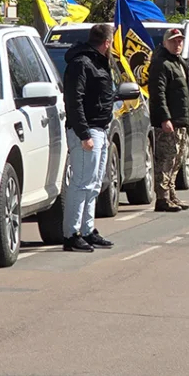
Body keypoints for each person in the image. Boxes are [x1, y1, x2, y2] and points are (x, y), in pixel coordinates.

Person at [62, 24, 116, 253]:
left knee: (94, 184)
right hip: (87, 131)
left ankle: (87, 230)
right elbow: (74, 100)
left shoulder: (99, 62)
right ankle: (71, 234)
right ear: (107, 42)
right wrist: (84, 133)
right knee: (81, 183)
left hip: (100, 130)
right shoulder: (82, 63)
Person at [149, 28, 189, 212]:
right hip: (169, 122)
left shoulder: (180, 63)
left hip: (181, 119)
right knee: (166, 159)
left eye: (180, 41)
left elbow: (188, 91)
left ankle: (171, 194)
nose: (177, 44)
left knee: (177, 159)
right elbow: (158, 94)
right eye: (174, 41)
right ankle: (162, 198)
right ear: (165, 43)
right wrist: (164, 118)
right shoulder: (160, 64)